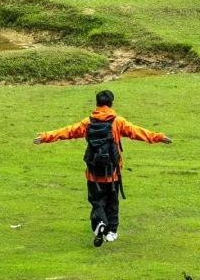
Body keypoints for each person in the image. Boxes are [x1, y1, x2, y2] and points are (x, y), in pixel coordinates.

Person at [34, 88, 172, 246]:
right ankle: (111, 232)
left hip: (93, 172)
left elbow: (69, 131)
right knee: (112, 202)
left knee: (96, 201)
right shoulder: (117, 121)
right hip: (112, 171)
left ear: (97, 103)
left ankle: (100, 224)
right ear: (111, 103)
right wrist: (159, 137)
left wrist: (45, 136)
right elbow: (137, 132)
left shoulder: (88, 122)